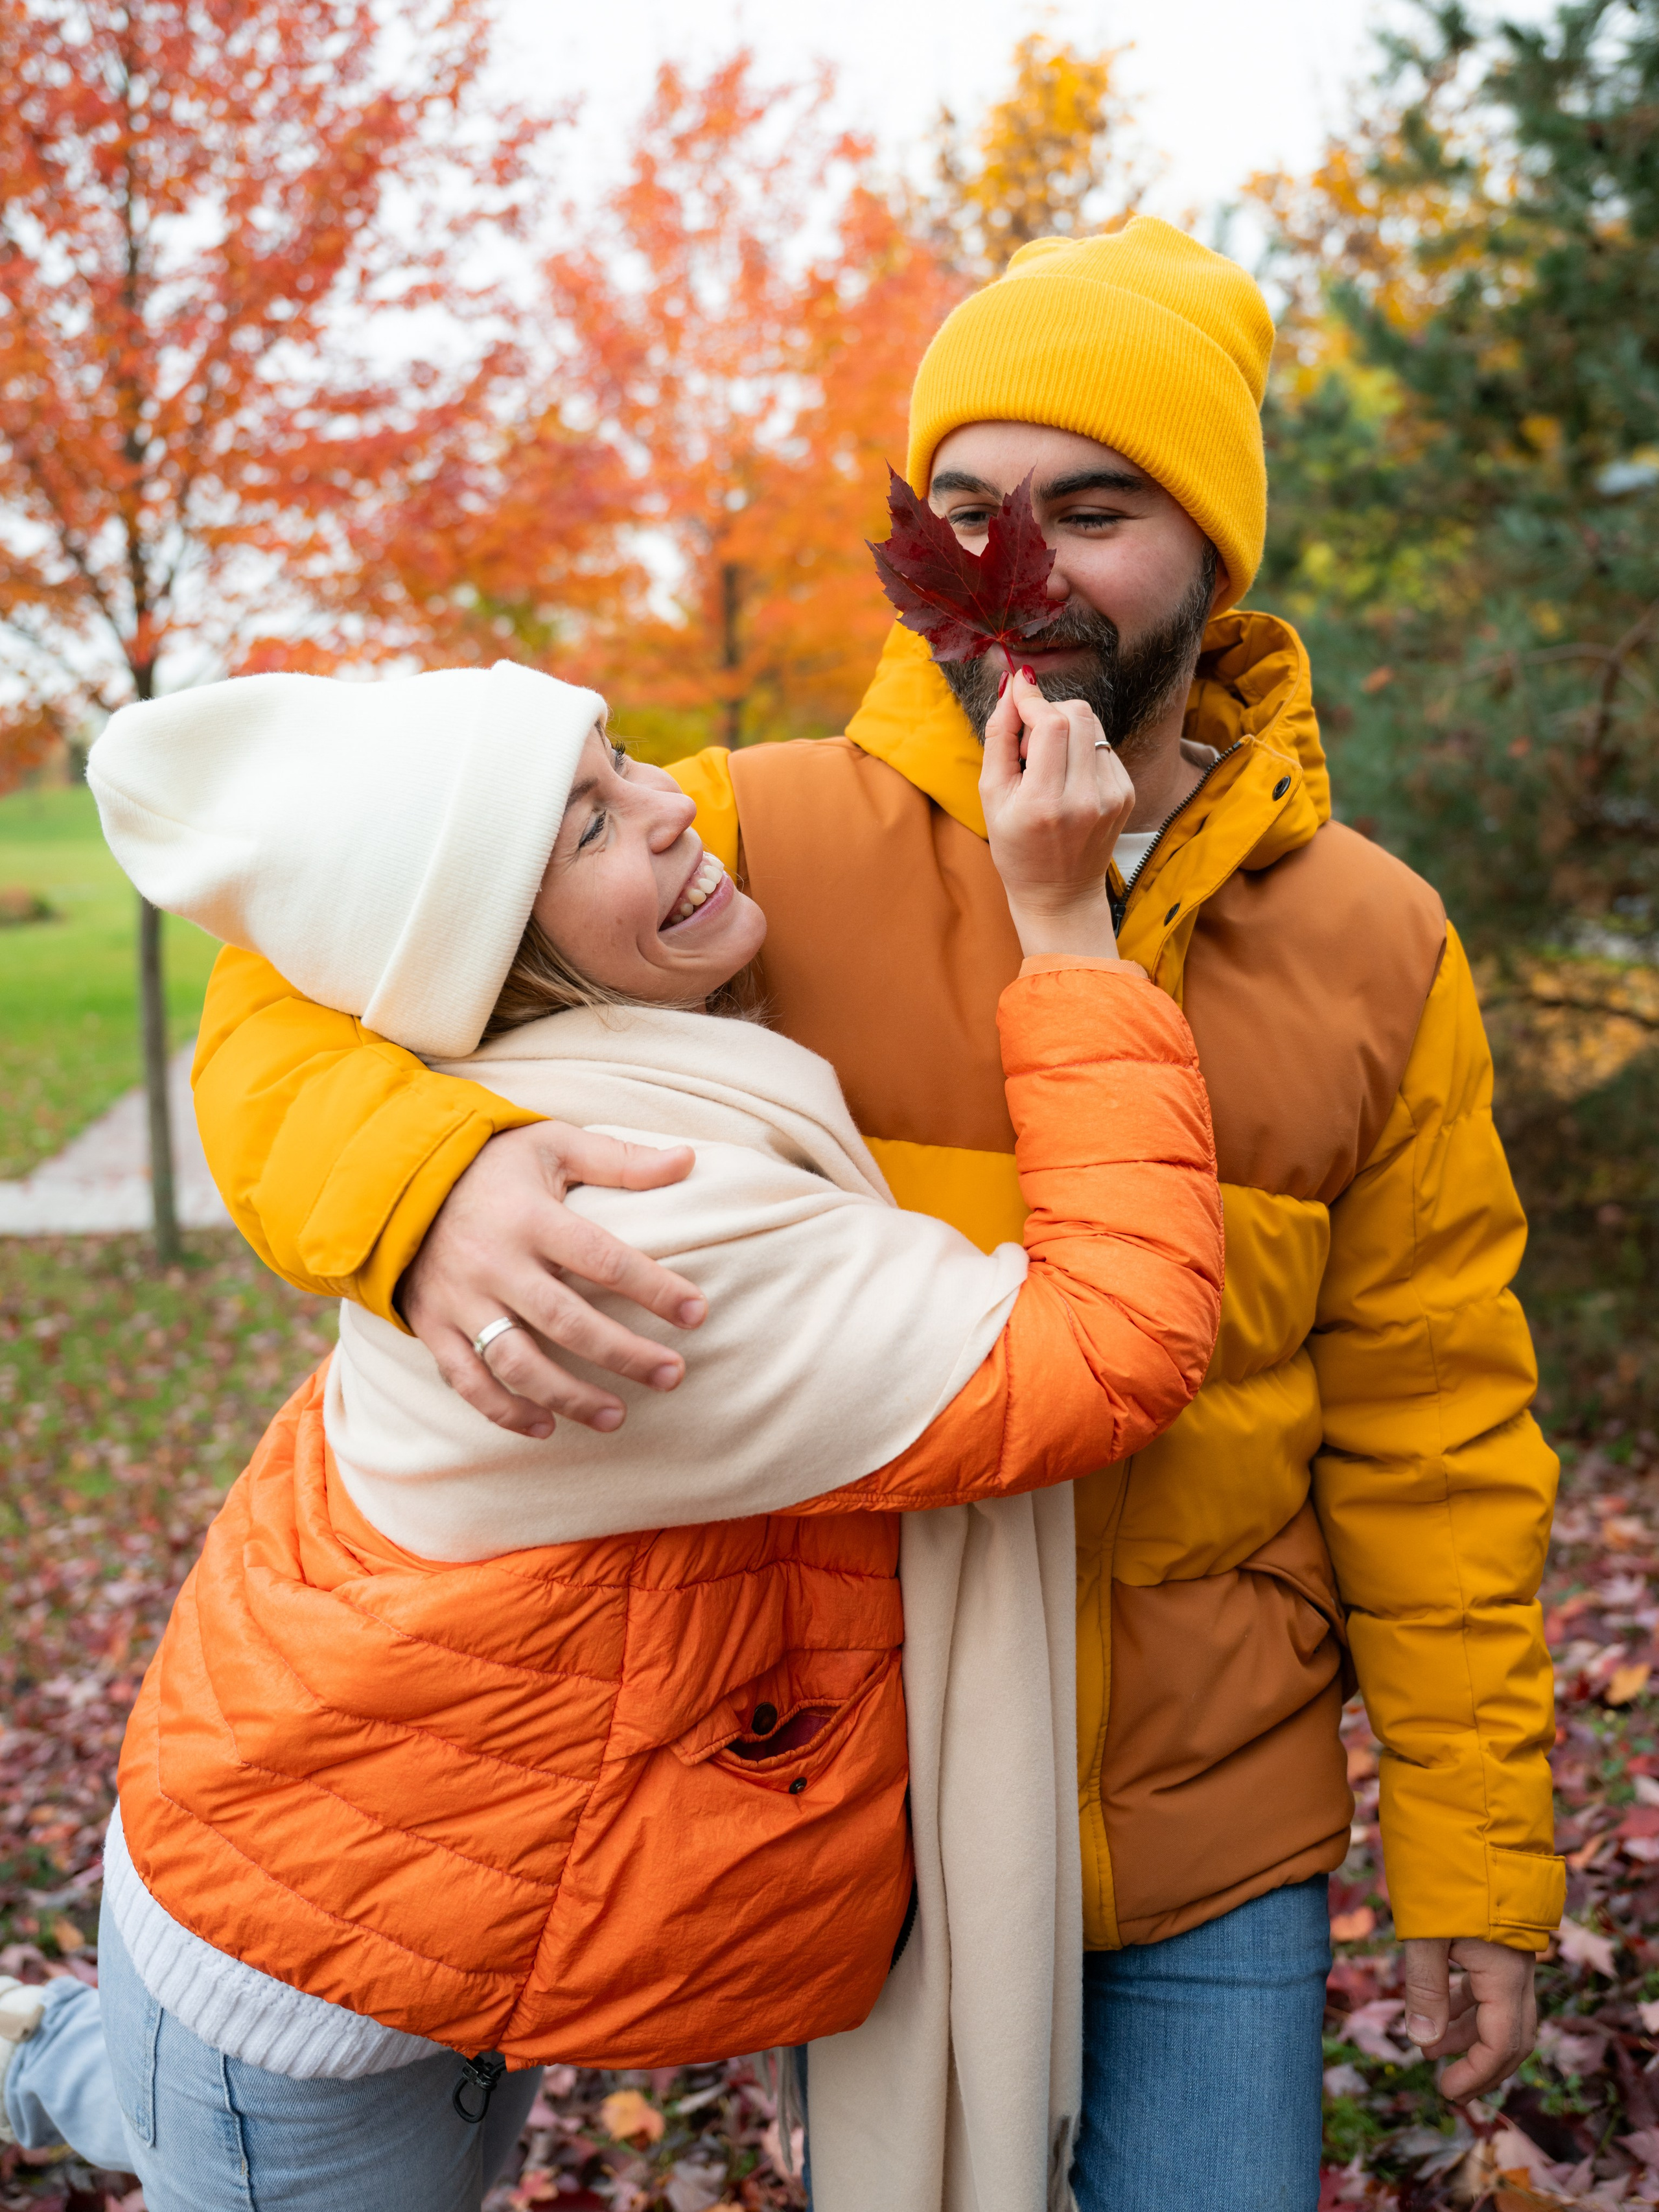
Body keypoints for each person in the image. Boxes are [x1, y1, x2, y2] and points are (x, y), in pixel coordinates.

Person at [115, 216, 1560, 2212]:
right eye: (961, 508)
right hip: (858, 1809)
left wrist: (1479, 1848)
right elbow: (311, 951)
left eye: (1093, 506)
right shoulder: (756, 839)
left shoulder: (1377, 942)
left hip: (1210, 1817)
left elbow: (1440, 1422)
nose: (1018, 569)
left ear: (1217, 554)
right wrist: (420, 1186)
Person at [0, 656, 1222, 2212]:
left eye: (624, 759)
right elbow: (1107, 1349)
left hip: (415, 1893)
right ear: (484, 956)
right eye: (582, 827)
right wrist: (1061, 924)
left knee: (162, 2095)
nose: (668, 806)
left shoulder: (488, 1096)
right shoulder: (629, 1224)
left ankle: (43, 2052)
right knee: (192, 2117)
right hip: (303, 1981)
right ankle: (54, 2060)